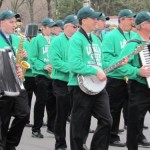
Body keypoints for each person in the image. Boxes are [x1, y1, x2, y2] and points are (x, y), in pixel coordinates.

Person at [68, 7, 113, 150]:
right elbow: (75, 65)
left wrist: (117, 62)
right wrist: (94, 70)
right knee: (79, 125)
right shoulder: (76, 39)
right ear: (84, 20)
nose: (96, 21)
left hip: (98, 87)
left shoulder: (96, 39)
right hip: (79, 87)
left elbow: (101, 63)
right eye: (93, 18)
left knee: (107, 120)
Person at [114, 11, 150, 150]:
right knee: (135, 125)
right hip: (139, 88)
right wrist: (137, 71)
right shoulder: (134, 43)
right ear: (143, 25)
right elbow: (121, 65)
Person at [102, 9, 138, 147]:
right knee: (114, 109)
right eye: (129, 19)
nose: (132, 21)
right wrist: (120, 63)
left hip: (131, 77)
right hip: (116, 78)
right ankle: (112, 136)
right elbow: (106, 58)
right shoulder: (111, 36)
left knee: (133, 109)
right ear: (121, 20)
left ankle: (137, 136)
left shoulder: (134, 35)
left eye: (132, 19)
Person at [0, 10, 29, 150]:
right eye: (10, 22)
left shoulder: (17, 39)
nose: (14, 25)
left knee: (24, 114)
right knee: (3, 119)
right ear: (1, 22)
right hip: (3, 85)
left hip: (18, 82)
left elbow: (26, 61)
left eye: (15, 22)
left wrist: (24, 56)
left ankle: (10, 143)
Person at [49, 14, 79, 150]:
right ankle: (60, 144)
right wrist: (73, 68)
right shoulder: (57, 41)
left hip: (76, 82)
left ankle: (78, 143)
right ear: (66, 26)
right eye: (74, 26)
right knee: (61, 115)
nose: (77, 29)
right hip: (61, 82)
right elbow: (55, 62)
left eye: (78, 26)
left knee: (77, 115)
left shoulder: (77, 40)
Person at [29, 18, 56, 138]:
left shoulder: (55, 39)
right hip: (42, 75)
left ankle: (51, 126)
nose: (52, 29)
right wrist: (44, 66)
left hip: (53, 75)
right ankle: (36, 128)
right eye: (49, 27)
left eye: (52, 27)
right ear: (43, 28)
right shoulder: (36, 40)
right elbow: (32, 58)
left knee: (53, 102)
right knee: (41, 102)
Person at [23, 23, 39, 127]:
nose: (32, 38)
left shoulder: (37, 42)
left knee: (40, 100)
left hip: (36, 74)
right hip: (27, 75)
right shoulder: (24, 43)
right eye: (31, 36)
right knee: (27, 99)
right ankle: (26, 120)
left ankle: (39, 121)